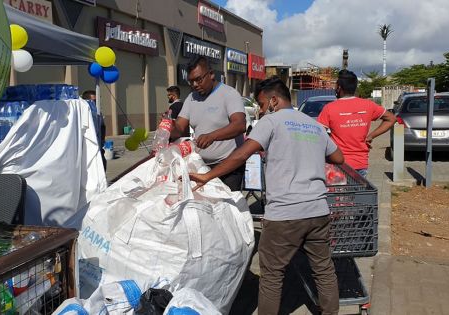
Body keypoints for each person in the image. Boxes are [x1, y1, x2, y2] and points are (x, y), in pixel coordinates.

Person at [189, 77, 344, 315]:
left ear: (273, 101)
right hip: (318, 211)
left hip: (284, 214)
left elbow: (241, 155)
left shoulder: (270, 121)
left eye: (261, 105)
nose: (260, 111)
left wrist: (207, 177)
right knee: (323, 268)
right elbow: (338, 158)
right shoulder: (313, 125)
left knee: (272, 275)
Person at [170, 56, 247, 191]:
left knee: (226, 208)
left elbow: (240, 125)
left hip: (228, 168)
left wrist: (212, 136)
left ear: (211, 74)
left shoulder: (229, 94)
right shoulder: (191, 98)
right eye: (191, 81)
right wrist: (169, 125)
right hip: (201, 166)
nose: (194, 85)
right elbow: (179, 127)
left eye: (198, 79)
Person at [317, 69, 397, 177]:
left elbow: (319, 134)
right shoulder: (369, 105)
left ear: (339, 87)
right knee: (359, 194)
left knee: (339, 194)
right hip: (361, 164)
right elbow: (391, 119)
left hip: (337, 164)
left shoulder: (329, 108)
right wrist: (371, 136)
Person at [82, 90, 107, 171]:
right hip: (88, 149)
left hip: (99, 146)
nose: (97, 103)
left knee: (102, 163)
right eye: (95, 101)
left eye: (98, 101)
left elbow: (102, 128)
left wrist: (102, 140)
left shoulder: (98, 113)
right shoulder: (83, 114)